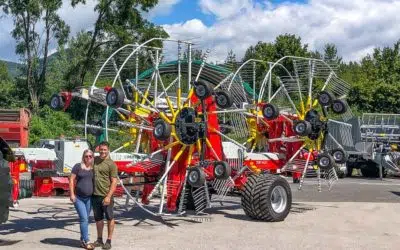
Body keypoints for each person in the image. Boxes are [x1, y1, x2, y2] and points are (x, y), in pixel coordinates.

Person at [90, 141, 118, 250]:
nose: (102, 151)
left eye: (104, 150)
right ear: (98, 149)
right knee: (98, 219)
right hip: (95, 195)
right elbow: (85, 161)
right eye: (101, 149)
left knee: (110, 218)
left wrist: (108, 196)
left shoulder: (111, 164)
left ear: (108, 150)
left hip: (106, 196)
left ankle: (109, 240)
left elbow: (114, 182)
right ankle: (99, 239)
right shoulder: (95, 160)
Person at [69, 149, 95, 249]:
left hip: (89, 198)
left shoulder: (93, 168)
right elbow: (71, 180)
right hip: (79, 197)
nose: (88, 158)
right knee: (84, 218)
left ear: (92, 157)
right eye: (86, 156)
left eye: (90, 156)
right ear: (83, 157)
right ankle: (86, 240)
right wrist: (72, 194)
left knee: (86, 219)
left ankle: (82, 240)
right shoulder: (77, 166)